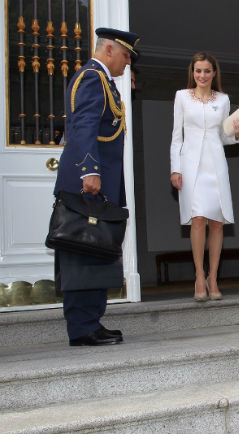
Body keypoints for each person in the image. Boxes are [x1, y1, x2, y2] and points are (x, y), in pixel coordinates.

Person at [53, 27, 140, 346]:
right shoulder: (92, 78)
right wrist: (89, 171)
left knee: (98, 251)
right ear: (109, 50)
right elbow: (84, 125)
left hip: (99, 186)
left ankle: (91, 320)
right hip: (86, 184)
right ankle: (81, 327)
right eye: (126, 55)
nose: (127, 62)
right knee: (82, 253)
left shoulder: (105, 82)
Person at [169, 52, 239, 301]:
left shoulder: (223, 100)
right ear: (192, 72)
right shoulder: (181, 97)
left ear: (214, 73)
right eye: (198, 70)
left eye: (206, 71)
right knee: (198, 217)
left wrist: (238, 132)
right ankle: (199, 276)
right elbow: (176, 136)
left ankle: (214, 277)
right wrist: (175, 168)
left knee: (216, 221)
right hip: (190, 164)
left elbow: (225, 138)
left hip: (215, 163)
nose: (202, 75)